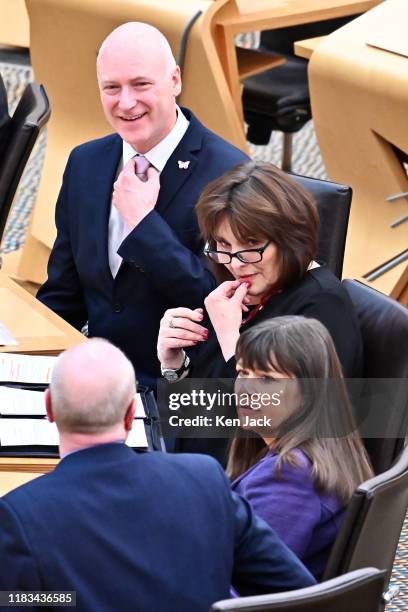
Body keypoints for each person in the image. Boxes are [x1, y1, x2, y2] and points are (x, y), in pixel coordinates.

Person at [0, 338, 315, 612]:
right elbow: (298, 594)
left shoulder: (19, 515)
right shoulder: (204, 479)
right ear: (130, 413)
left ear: (49, 408)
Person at [36, 22, 248, 389]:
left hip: (183, 388)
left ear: (175, 81)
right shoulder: (85, 163)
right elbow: (63, 294)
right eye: (111, 88)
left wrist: (143, 224)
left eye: (141, 84)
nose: (126, 102)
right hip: (94, 383)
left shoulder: (232, 174)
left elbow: (224, 306)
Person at [157, 161, 363, 461]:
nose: (236, 263)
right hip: (196, 465)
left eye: (251, 243)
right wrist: (175, 364)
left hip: (251, 485)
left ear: (291, 239)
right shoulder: (255, 289)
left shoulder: (321, 309)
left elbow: (268, 429)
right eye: (223, 244)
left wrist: (231, 339)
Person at [229, 315, 373, 580]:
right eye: (242, 372)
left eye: (268, 379)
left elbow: (251, 584)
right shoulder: (330, 443)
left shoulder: (289, 476)